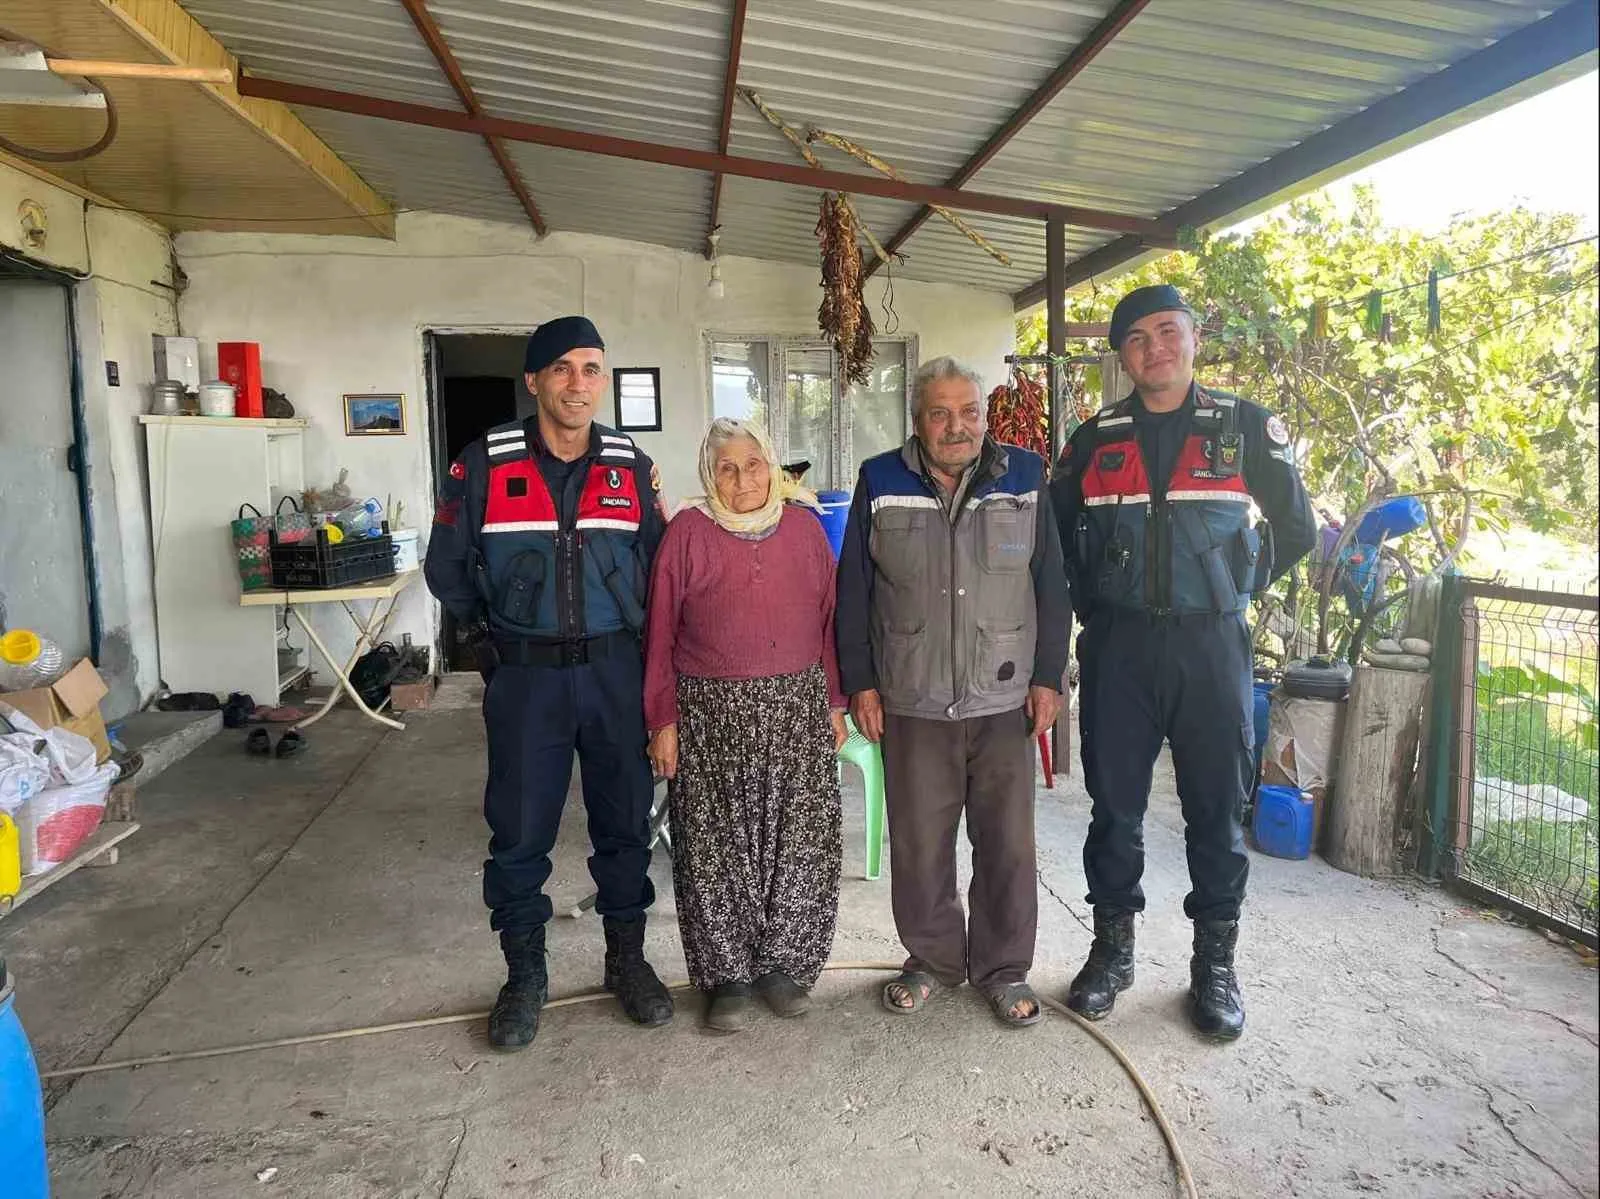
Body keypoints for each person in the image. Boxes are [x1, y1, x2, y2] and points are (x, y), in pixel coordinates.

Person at [1050, 285, 1316, 1041]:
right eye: (1136, 338)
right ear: (1123, 356)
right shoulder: (1094, 438)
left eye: (1168, 332)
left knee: (1216, 810)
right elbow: (1058, 535)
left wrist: (1243, 584)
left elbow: (1295, 526)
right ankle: (1112, 953)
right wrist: (1090, 602)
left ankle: (1214, 967)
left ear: (1194, 339)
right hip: (1120, 647)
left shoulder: (1240, 426)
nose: (1154, 348)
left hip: (1212, 644)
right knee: (1115, 808)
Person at [424, 315, 674, 1052]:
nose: (578, 382)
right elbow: (447, 568)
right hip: (526, 680)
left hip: (614, 673)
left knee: (626, 825)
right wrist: (487, 648)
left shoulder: (631, 466)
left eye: (592, 367)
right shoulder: (485, 463)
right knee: (519, 833)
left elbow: (662, 574)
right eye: (561, 368)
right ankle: (524, 977)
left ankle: (626, 962)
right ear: (532, 379)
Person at [836, 356, 1070, 1028]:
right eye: (939, 412)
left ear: (986, 414)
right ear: (918, 421)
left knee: (1007, 842)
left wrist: (1049, 676)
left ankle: (1002, 967)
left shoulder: (1025, 476)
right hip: (911, 696)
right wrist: (861, 683)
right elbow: (854, 590)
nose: (956, 425)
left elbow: (1052, 582)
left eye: (968, 410)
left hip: (1003, 697)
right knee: (920, 842)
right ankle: (933, 959)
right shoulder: (880, 479)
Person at [643, 419, 848, 1033]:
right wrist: (662, 718)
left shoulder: (807, 531)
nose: (743, 479)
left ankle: (786, 968)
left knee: (800, 839)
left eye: (754, 464)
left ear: (774, 467)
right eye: (727, 468)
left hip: (797, 703)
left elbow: (830, 622)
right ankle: (726, 977)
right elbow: (659, 635)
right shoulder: (687, 533)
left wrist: (835, 702)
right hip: (709, 710)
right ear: (711, 474)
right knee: (714, 845)